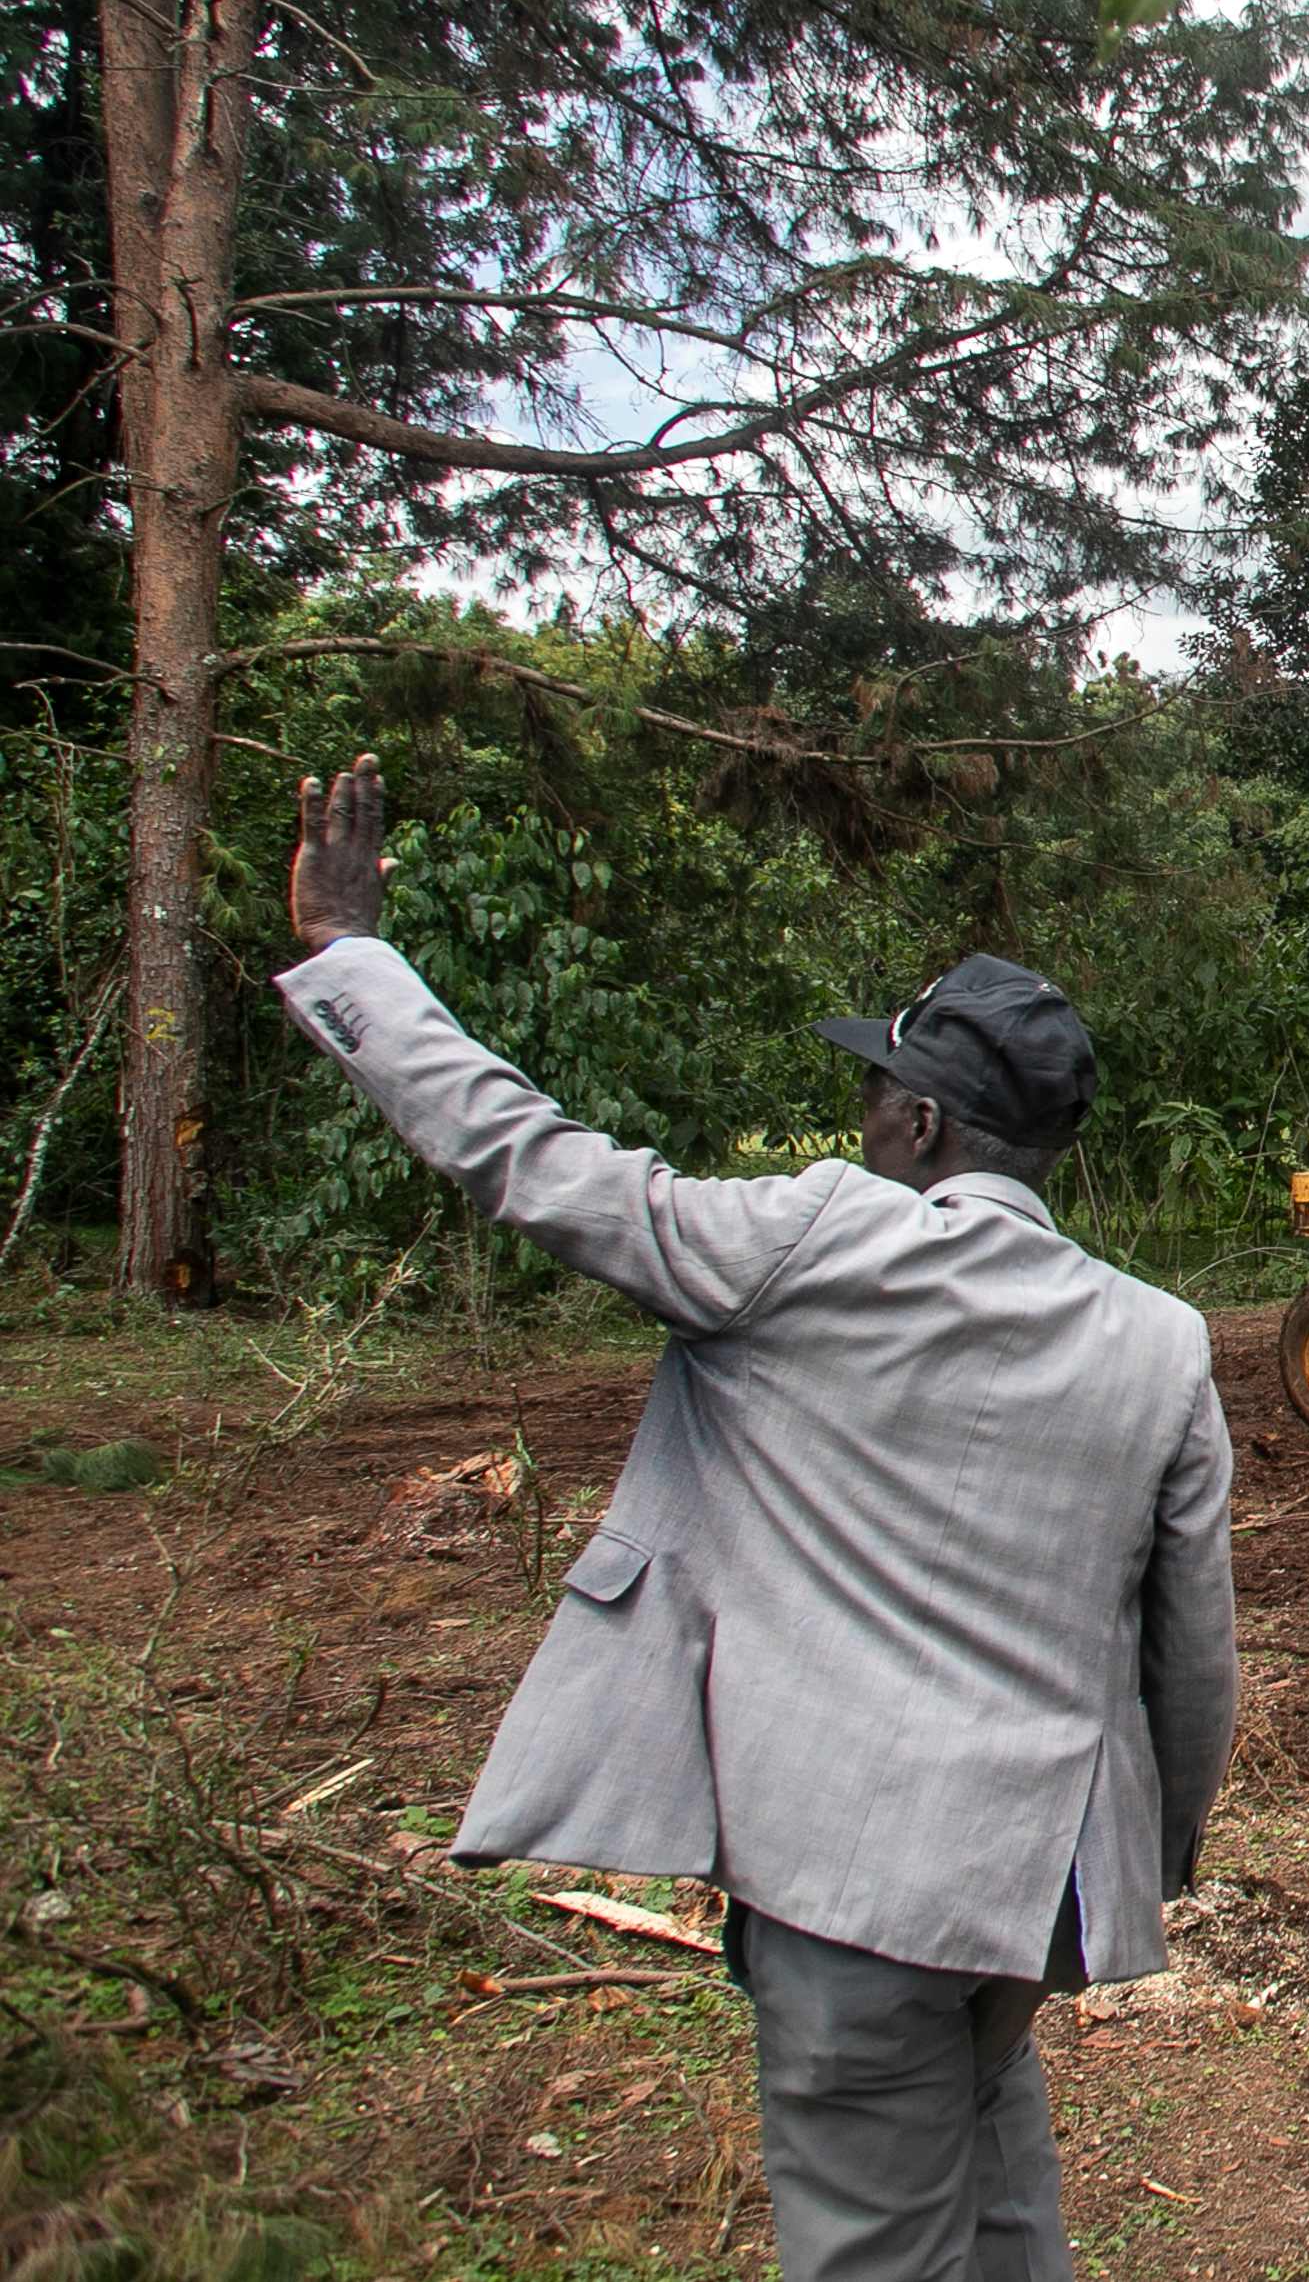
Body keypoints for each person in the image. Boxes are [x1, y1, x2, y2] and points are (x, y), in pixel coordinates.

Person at [272, 755, 1236, 2282]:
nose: (856, 1115)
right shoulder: (1157, 1336)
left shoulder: (807, 1244)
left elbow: (529, 1160)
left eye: (872, 1090)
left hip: (853, 1895)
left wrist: (351, 957)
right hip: (1028, 1890)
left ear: (921, 1124)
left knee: (876, 2240)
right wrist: (1146, 1864)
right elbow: (1192, 1661)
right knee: (994, 2183)